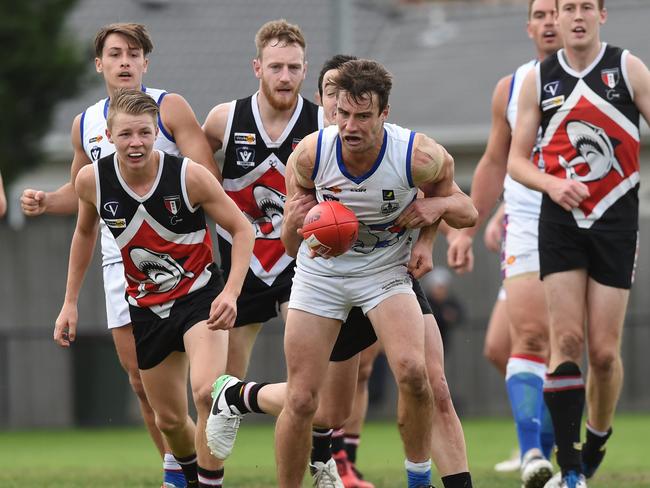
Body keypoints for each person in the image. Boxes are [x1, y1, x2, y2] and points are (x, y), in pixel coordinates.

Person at [207, 53, 476, 488]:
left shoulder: (418, 154)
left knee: (415, 372)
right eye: (343, 114)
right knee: (305, 401)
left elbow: (467, 211)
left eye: (363, 116)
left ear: (384, 113)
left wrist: (436, 209)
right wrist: (302, 226)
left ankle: (419, 480)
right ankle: (239, 399)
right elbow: (293, 247)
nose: (350, 126)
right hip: (323, 277)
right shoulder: (311, 155)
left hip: (385, 273)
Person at [20, 23, 219, 487]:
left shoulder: (170, 108)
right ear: (100, 64)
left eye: (134, 53)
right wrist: (49, 201)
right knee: (140, 383)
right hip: (121, 264)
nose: (125, 61)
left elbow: (203, 175)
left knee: (201, 387)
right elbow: (83, 193)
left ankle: (202, 474)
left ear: (146, 63)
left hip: (183, 261)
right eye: (115, 54)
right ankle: (177, 470)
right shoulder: (85, 124)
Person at [53, 89, 254, 488]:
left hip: (200, 298)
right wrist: (69, 303)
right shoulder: (92, 181)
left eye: (145, 133)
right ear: (109, 137)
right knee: (170, 421)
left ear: (154, 134)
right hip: (146, 308)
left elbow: (242, 229)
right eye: (126, 134)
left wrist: (230, 292)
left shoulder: (188, 175)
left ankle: (210, 480)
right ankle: (192, 475)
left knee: (206, 394)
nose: (136, 143)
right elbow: (83, 233)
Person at [507, 1, 650, 486]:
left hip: (617, 221)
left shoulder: (628, 68)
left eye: (587, 5)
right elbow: (516, 161)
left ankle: (598, 437)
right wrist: (550, 184)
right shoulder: (538, 80)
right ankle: (569, 470)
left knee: (605, 354)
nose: (576, 15)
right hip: (561, 220)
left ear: (601, 15)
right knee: (566, 341)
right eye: (568, 7)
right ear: (558, 18)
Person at [447, 1, 562, 485]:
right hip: (529, 221)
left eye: (562, 9)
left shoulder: (609, 79)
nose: (553, 19)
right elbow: (494, 161)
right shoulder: (511, 87)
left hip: (591, 223)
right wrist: (471, 226)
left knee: (582, 352)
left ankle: (562, 447)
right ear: (529, 25)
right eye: (541, 12)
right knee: (518, 343)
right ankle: (536, 453)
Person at [202, 19, 323, 381]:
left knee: (307, 369)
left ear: (305, 69)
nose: (284, 77)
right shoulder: (224, 119)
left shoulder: (322, 125)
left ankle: (317, 438)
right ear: (257, 68)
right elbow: (195, 174)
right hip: (242, 262)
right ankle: (223, 434)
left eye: (293, 67)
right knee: (225, 383)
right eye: (275, 67)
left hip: (297, 258)